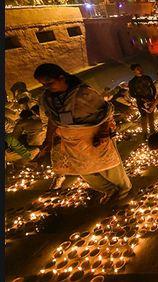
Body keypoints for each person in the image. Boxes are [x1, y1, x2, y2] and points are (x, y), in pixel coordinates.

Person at [34, 63, 131, 204]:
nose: (46, 87)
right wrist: (48, 140)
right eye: (43, 84)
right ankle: (109, 189)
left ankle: (124, 189)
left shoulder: (84, 93)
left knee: (109, 167)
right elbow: (53, 119)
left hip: (95, 136)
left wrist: (104, 132)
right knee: (84, 170)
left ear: (62, 78)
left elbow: (106, 112)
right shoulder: (48, 98)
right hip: (71, 141)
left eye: (49, 82)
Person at [128, 64, 156, 138]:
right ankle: (145, 134)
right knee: (143, 117)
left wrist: (153, 97)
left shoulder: (147, 78)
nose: (140, 70)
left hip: (150, 100)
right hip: (141, 102)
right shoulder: (132, 82)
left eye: (140, 68)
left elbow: (153, 88)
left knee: (151, 116)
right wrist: (141, 98)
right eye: (137, 69)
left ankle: (153, 132)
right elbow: (132, 94)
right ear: (134, 71)